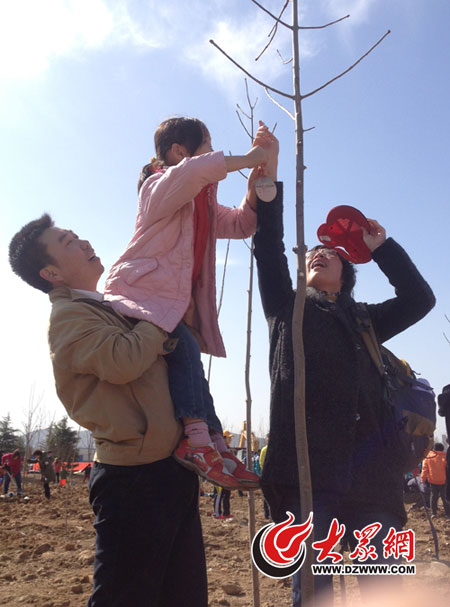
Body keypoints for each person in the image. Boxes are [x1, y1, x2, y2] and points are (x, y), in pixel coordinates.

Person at [252, 141, 436, 605]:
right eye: (311, 254)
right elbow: (268, 249)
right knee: (315, 592)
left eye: (330, 253)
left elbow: (420, 300)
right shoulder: (287, 309)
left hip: (374, 479)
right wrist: (268, 186)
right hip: (307, 475)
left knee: (381, 588)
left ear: (348, 273)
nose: (318, 254)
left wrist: (381, 247)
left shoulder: (365, 320)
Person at [9, 215, 209, 606]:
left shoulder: (110, 308)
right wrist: (159, 316)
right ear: (52, 273)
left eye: (76, 235)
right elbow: (122, 360)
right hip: (133, 479)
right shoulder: (68, 318)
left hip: (172, 467)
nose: (83, 242)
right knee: (124, 597)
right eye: (68, 242)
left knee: (183, 595)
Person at [104, 117, 274, 491]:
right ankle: (197, 441)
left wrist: (254, 182)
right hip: (139, 294)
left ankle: (212, 441)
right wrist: (249, 158)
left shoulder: (201, 204)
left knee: (193, 366)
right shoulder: (156, 187)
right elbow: (194, 172)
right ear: (179, 151)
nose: (213, 152)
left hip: (169, 307)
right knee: (186, 350)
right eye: (208, 144)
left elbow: (242, 224)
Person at [421, 443, 450, 517]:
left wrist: (423, 479)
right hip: (444, 481)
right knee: (444, 497)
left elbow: (424, 469)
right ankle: (448, 513)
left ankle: (434, 513)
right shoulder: (445, 457)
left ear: (434, 449)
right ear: (442, 449)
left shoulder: (428, 457)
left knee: (434, 497)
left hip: (432, 480)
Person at [213, 430, 233, 519]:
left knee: (227, 494)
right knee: (219, 494)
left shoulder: (228, 448)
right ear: (223, 438)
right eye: (229, 438)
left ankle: (226, 513)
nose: (230, 439)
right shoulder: (218, 448)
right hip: (219, 474)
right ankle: (217, 513)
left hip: (227, 474)